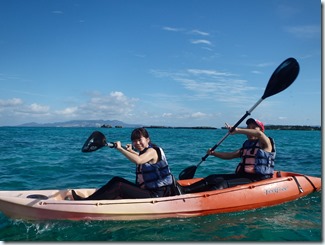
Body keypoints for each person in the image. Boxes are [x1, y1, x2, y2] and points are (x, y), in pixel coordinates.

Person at [72, 127, 178, 200]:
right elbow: (139, 156)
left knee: (119, 186)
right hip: (147, 190)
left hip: (157, 194)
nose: (137, 143)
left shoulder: (153, 151)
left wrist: (120, 149)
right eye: (134, 141)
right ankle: (90, 199)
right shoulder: (144, 152)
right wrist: (130, 150)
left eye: (139, 140)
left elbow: (139, 160)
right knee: (116, 179)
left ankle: (90, 203)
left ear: (147, 139)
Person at [180, 118, 276, 193]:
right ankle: (184, 190)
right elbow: (230, 155)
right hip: (243, 176)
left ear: (261, 130)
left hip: (258, 179)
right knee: (212, 178)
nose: (249, 130)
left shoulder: (266, 143)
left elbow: (259, 134)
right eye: (248, 127)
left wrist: (237, 130)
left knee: (222, 184)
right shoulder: (247, 145)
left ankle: (200, 200)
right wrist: (214, 153)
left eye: (253, 128)